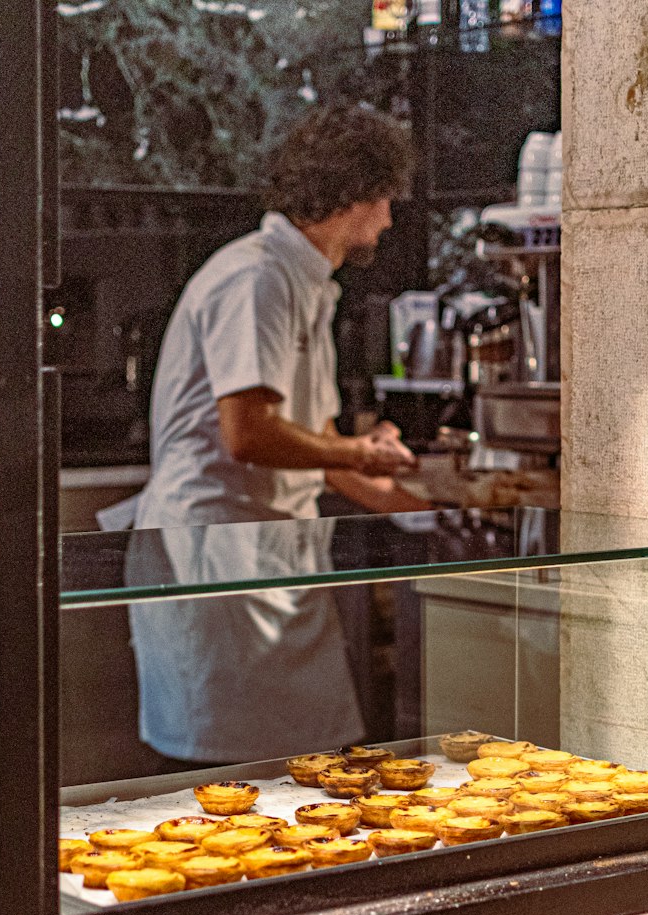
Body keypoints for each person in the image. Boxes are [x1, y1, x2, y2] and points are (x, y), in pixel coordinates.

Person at [126, 104, 418, 769]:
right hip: (218, 559)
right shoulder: (256, 278)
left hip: (271, 556)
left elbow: (313, 439)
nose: (390, 219)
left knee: (308, 767)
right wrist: (359, 451)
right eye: (386, 200)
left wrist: (426, 505)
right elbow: (249, 433)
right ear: (354, 197)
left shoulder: (307, 283)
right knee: (234, 782)